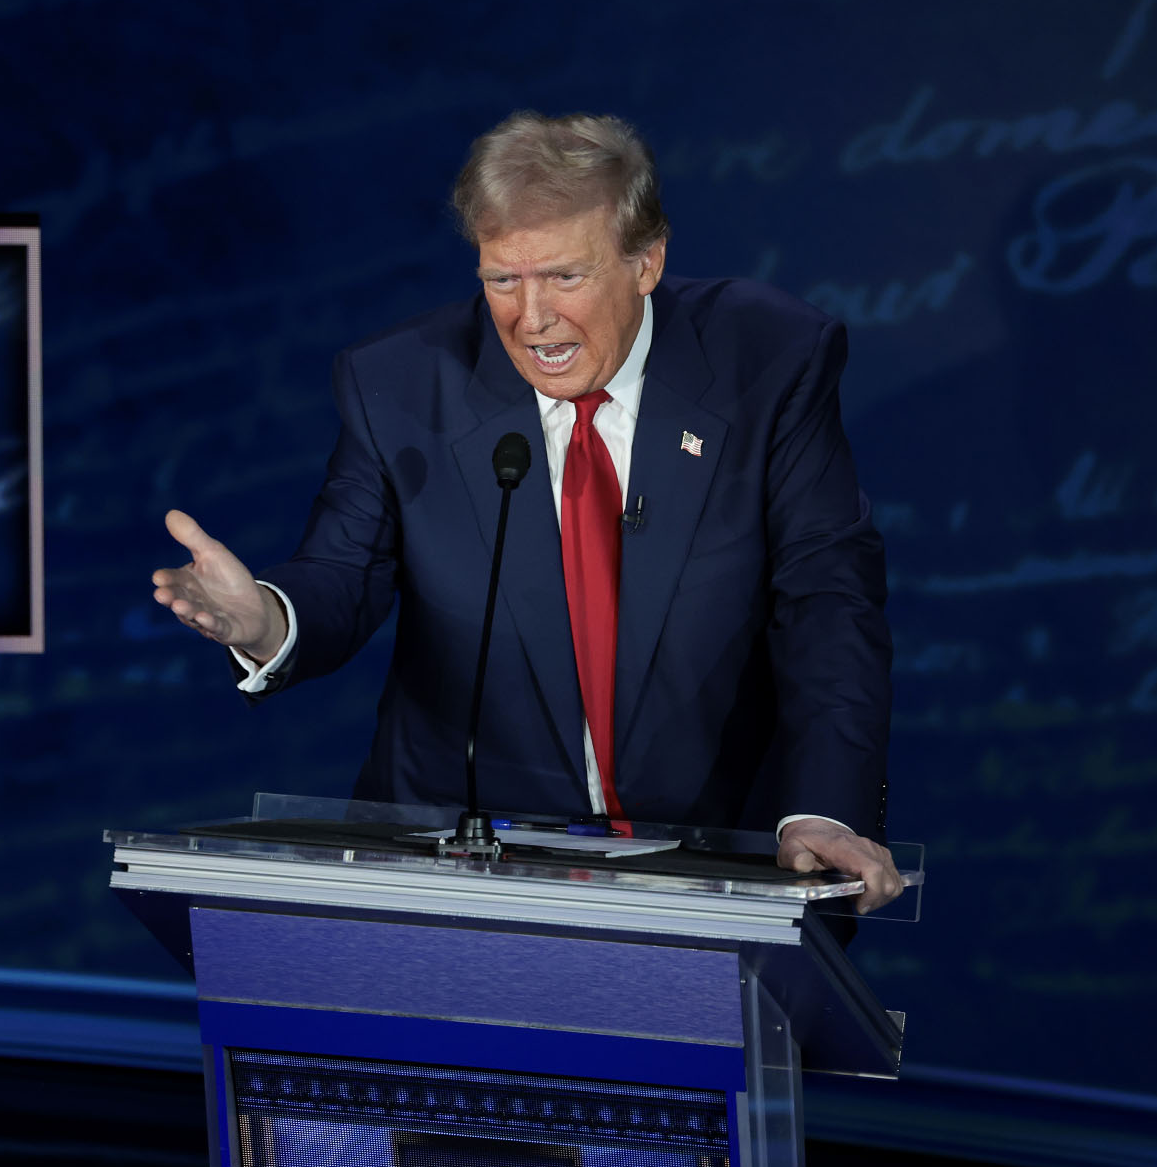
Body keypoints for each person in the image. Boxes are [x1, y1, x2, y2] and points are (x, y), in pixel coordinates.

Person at [152, 111, 902, 912]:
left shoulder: (769, 360)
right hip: (461, 872)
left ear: (646, 262)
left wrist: (824, 807)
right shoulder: (403, 386)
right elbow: (343, 570)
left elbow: (828, 599)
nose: (531, 317)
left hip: (710, 862)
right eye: (502, 280)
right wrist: (266, 620)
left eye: (564, 278)